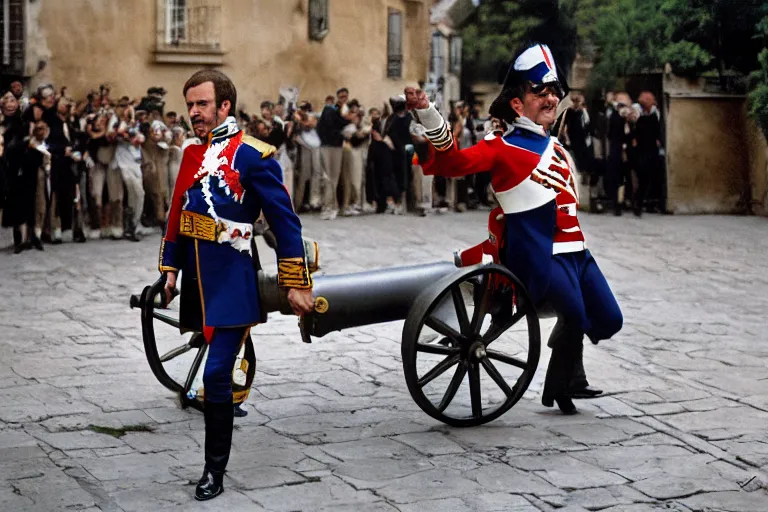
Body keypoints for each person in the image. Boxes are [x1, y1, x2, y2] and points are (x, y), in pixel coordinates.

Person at [406, 43, 623, 414]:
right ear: (518, 104)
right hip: (540, 257)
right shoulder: (501, 146)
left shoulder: (556, 145)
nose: (551, 98)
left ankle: (570, 358)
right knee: (573, 312)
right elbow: (454, 161)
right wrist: (428, 113)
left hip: (577, 254)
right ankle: (560, 388)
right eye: (540, 92)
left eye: (554, 91)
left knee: (608, 319)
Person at [158, 69, 314, 501]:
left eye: (202, 104)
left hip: (233, 280)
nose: (194, 113)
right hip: (199, 283)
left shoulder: (253, 156)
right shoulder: (191, 155)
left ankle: (214, 471)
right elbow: (177, 216)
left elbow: (285, 223)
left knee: (215, 375)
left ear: (225, 106)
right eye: (190, 105)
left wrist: (295, 282)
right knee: (215, 372)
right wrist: (169, 268)